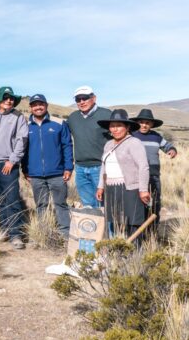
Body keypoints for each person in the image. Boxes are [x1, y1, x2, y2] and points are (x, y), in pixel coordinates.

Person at [21, 94, 74, 238]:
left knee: (61, 204)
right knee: (41, 205)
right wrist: (25, 169)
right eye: (34, 105)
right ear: (31, 107)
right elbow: (23, 150)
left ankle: (65, 233)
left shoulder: (59, 123)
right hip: (35, 174)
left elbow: (67, 146)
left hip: (57, 173)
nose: (38, 107)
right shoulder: (25, 126)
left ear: (46, 105)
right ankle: (43, 232)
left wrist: (68, 168)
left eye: (41, 104)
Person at [0, 87, 28, 249]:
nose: (9, 101)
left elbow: (22, 140)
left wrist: (12, 160)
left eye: (11, 99)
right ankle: (5, 230)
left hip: (7, 164)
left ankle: (16, 234)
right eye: (6, 98)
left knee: (12, 198)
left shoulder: (18, 117)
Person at [95, 110, 150, 238]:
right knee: (116, 221)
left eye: (119, 125)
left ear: (127, 127)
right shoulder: (108, 144)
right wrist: (101, 186)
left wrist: (143, 189)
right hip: (111, 188)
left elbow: (143, 167)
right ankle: (119, 250)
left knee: (133, 222)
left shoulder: (134, 143)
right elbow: (104, 166)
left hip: (130, 188)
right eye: (112, 126)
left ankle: (136, 253)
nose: (115, 129)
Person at [129, 108, 177, 225]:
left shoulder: (156, 136)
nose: (144, 125)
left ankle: (152, 231)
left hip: (153, 176)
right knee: (137, 204)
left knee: (154, 203)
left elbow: (168, 146)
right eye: (141, 122)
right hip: (135, 177)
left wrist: (171, 150)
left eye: (147, 123)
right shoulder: (131, 135)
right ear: (137, 123)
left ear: (152, 124)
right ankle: (138, 230)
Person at [66, 86, 112, 208]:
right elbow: (64, 141)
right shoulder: (72, 118)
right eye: (78, 99)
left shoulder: (107, 115)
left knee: (104, 205)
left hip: (100, 167)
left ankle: (108, 228)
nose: (81, 102)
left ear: (94, 98)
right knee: (87, 205)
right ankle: (94, 227)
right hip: (80, 168)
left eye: (85, 98)